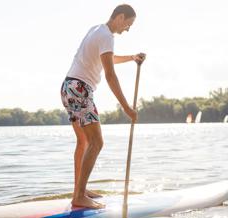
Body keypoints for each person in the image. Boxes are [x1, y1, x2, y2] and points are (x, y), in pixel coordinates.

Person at [60, 4, 146, 209]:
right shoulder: (106, 36)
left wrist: (132, 58)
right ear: (120, 17)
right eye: (128, 24)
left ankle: (79, 191)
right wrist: (126, 107)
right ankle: (79, 195)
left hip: (68, 87)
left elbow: (109, 59)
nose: (128, 29)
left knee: (83, 142)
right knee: (96, 142)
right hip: (80, 89)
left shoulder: (97, 30)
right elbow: (109, 74)